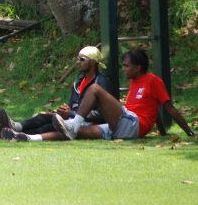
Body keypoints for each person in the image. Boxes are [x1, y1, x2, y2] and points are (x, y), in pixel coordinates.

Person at [53, 49, 195, 141]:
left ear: (138, 67)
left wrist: (190, 133)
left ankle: (73, 126)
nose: (123, 69)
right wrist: (162, 132)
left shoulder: (153, 81)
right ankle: (32, 138)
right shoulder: (134, 81)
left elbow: (169, 108)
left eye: (126, 66)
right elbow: (154, 109)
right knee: (74, 131)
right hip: (124, 125)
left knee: (95, 89)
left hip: (133, 124)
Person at [0, 46, 111, 142]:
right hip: (74, 116)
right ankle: (15, 126)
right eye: (78, 59)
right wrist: (65, 110)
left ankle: (17, 134)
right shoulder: (79, 81)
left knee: (50, 126)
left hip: (87, 122)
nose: (78, 63)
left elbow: (101, 114)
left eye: (82, 59)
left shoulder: (100, 83)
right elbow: (72, 104)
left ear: (93, 63)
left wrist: (70, 113)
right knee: (43, 117)